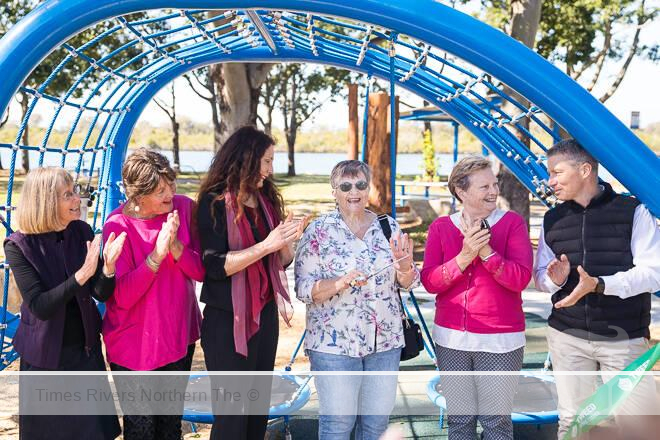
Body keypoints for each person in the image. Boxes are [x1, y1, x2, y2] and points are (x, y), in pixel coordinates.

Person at [533, 139, 660, 439]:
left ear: (586, 169)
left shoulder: (634, 212)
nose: (550, 181)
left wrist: (601, 285)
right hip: (567, 337)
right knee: (573, 423)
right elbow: (541, 278)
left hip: (624, 339)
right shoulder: (552, 219)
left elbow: (653, 274)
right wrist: (558, 280)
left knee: (639, 426)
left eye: (557, 172)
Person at [294, 160, 420, 440]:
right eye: (346, 186)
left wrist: (404, 267)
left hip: (384, 344)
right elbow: (303, 289)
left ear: (369, 188)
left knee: (375, 427)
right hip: (333, 347)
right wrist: (340, 283)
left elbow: (410, 282)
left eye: (361, 185)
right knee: (338, 426)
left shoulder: (388, 226)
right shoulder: (317, 231)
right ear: (334, 191)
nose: (354, 191)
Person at [197, 126, 302, 440]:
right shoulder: (213, 202)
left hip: (264, 316)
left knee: (256, 414)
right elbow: (213, 266)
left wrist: (285, 243)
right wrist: (267, 245)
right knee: (232, 418)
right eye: (266, 161)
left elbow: (280, 261)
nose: (270, 170)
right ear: (246, 158)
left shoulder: (265, 199)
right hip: (226, 320)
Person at [4, 167, 125, 440]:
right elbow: (40, 306)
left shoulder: (80, 231)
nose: (76, 200)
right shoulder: (18, 245)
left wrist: (108, 269)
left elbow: (100, 293)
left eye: (75, 192)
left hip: (85, 353)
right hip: (46, 361)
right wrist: (81, 275)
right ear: (46, 202)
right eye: (68, 195)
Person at [421, 156, 533, 440]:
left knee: (496, 422)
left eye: (494, 184)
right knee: (460, 420)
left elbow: (520, 278)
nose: (494, 191)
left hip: (500, 342)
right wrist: (464, 257)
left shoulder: (512, 224)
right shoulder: (441, 228)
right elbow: (430, 281)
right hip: (451, 341)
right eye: (484, 186)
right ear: (461, 191)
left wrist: (487, 254)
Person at [102, 149, 205, 440]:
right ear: (138, 196)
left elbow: (202, 272)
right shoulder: (117, 225)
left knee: (171, 426)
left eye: (171, 183)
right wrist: (157, 256)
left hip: (178, 337)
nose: (170, 193)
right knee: (141, 430)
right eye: (160, 190)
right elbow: (121, 296)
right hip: (134, 345)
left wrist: (175, 248)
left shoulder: (185, 209)